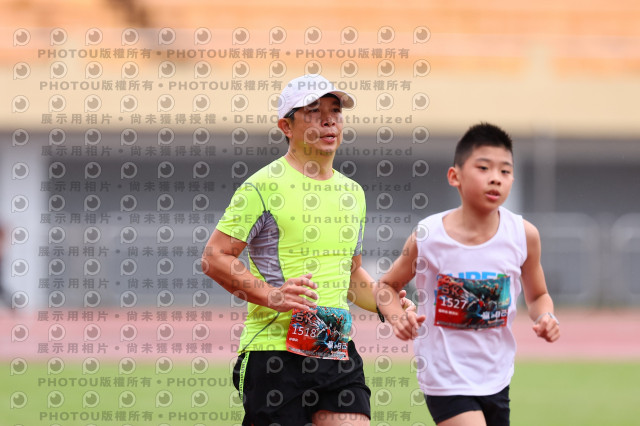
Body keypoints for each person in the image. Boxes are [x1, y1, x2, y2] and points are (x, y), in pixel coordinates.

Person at [202, 74, 412, 426]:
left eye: (335, 111)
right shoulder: (261, 187)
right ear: (286, 126)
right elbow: (214, 257)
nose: (329, 120)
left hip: (333, 345)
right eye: (314, 111)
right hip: (274, 354)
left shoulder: (353, 193)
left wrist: (388, 305)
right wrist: (272, 296)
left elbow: (349, 274)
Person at [374, 123, 560, 426]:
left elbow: (538, 295)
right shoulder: (429, 235)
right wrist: (397, 318)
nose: (495, 178)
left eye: (505, 171)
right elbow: (386, 286)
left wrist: (547, 317)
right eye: (484, 168)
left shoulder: (524, 235)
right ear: (455, 176)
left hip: (496, 377)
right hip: (444, 377)